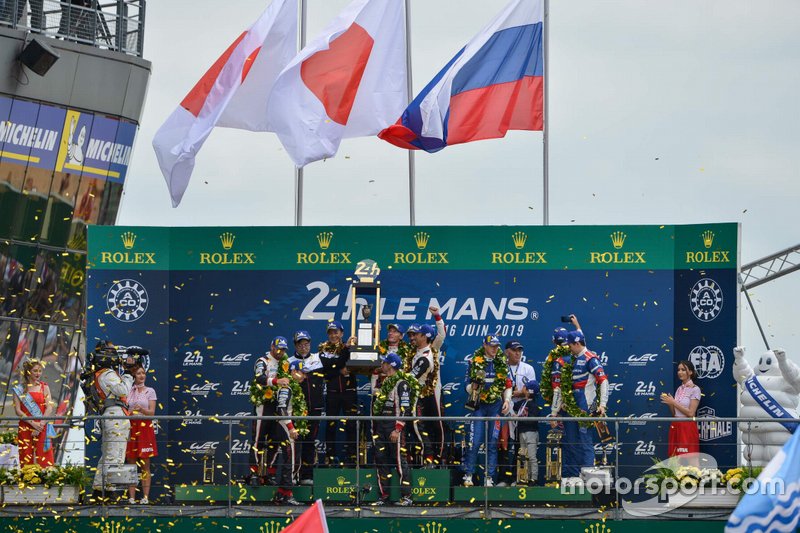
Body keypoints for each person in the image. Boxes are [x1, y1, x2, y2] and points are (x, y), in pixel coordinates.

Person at [549, 330, 608, 485]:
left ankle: (588, 476)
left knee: (585, 440)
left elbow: (603, 381)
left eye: (570, 345)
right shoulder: (569, 360)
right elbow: (560, 388)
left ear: (576, 343)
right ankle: (573, 477)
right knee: (571, 441)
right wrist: (554, 412)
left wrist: (602, 405)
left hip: (585, 407)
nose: (568, 347)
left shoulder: (591, 358)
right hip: (569, 406)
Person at [462, 335, 512, 487]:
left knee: (492, 442)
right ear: (484, 345)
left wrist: (507, 400)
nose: (494, 349)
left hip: (495, 406)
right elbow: (466, 386)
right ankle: (468, 475)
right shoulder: (474, 362)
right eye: (491, 346)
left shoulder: (502, 362)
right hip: (478, 406)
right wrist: (474, 387)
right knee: (474, 442)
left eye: (497, 346)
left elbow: (508, 385)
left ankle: (489, 477)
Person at [89, 342, 133, 499]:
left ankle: (98, 491)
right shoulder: (107, 373)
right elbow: (123, 390)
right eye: (112, 351)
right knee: (116, 456)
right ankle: (109, 493)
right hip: (115, 416)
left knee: (108, 456)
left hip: (112, 414)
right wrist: (129, 374)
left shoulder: (101, 373)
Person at [372, 353, 414, 506]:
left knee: (399, 461)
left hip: (394, 425)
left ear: (391, 365)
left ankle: (406, 496)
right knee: (381, 459)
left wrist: (397, 429)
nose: (382, 365)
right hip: (381, 425)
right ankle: (384, 495)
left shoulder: (402, 383)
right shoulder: (384, 382)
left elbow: (406, 408)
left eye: (384, 362)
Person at [406, 306, 446, 466]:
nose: (413, 337)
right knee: (419, 424)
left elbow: (442, 334)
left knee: (437, 424)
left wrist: (437, 316)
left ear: (424, 336)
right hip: (417, 394)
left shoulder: (433, 348)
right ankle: (423, 458)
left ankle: (439, 458)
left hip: (432, 392)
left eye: (416, 334)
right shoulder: (412, 351)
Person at [250, 336, 291, 485]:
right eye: (278, 348)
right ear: (272, 347)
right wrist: (276, 381)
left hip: (278, 405)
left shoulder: (285, 363)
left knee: (275, 440)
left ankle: (269, 473)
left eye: (283, 349)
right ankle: (254, 473)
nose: (280, 352)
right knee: (258, 440)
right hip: (264, 405)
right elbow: (259, 378)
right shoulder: (262, 361)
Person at [497, 340, 537, 486]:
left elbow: (532, 392)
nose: (517, 353)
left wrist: (519, 393)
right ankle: (502, 478)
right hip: (504, 408)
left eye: (519, 350)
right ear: (507, 352)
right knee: (503, 444)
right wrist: (511, 395)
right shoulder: (500, 368)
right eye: (514, 350)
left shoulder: (528, 368)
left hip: (522, 409)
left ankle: (516, 477)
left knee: (519, 446)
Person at [318, 322, 357, 466]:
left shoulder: (351, 348)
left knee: (351, 424)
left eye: (336, 332)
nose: (333, 335)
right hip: (332, 393)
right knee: (331, 425)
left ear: (342, 333)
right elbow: (327, 368)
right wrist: (339, 370)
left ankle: (352, 456)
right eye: (331, 332)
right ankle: (330, 456)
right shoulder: (322, 349)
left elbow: (354, 364)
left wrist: (345, 353)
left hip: (349, 392)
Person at [288, 330, 324, 485]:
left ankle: (306, 476)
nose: (304, 347)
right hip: (296, 410)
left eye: (306, 344)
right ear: (295, 345)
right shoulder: (288, 361)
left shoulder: (318, 359)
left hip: (314, 409)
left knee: (310, 442)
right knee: (295, 443)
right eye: (300, 344)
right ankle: (293, 475)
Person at [12, 359, 54, 467]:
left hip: (42, 426)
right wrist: (33, 424)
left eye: (40, 371)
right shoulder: (19, 389)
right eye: (35, 371)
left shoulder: (45, 387)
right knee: (26, 456)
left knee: (45, 456)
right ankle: (27, 481)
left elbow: (49, 408)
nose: (38, 373)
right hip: (25, 426)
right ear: (28, 372)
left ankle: (47, 481)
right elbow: (18, 410)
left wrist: (39, 425)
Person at [125, 364, 157, 504]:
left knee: (145, 464)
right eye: (138, 373)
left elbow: (152, 413)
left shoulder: (150, 391)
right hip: (131, 427)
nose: (142, 376)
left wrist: (142, 410)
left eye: (143, 373)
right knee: (131, 463)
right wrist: (129, 413)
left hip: (145, 428)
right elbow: (124, 410)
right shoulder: (128, 391)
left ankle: (145, 497)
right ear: (133, 376)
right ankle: (131, 497)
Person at [662, 360, 701, 457]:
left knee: (689, 456)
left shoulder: (695, 389)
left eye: (683, 370)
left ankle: (691, 473)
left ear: (691, 372)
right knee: (674, 456)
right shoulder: (679, 389)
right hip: (675, 425)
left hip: (687, 426)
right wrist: (670, 404)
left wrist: (673, 402)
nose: (680, 372)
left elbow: (691, 413)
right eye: (678, 370)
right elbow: (674, 414)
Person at [514, 377, 541, 486]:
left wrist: (518, 417)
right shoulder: (522, 403)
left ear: (528, 391)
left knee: (532, 456)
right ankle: (524, 476)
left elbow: (532, 421)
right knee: (523, 456)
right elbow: (513, 406)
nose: (523, 388)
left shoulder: (534, 406)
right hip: (521, 432)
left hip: (531, 432)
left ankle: (533, 478)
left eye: (525, 387)